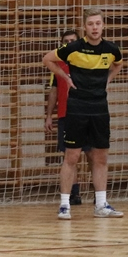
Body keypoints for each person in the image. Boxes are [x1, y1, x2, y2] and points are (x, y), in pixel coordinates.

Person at [42, 8, 124, 220]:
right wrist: (65, 77)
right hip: (77, 107)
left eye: (98, 23)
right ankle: (64, 205)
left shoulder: (111, 49)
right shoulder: (73, 48)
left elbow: (118, 64)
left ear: (103, 25)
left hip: (99, 108)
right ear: (85, 27)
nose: (94, 27)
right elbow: (47, 59)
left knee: (100, 157)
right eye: (90, 24)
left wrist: (107, 80)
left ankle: (101, 205)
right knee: (72, 156)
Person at [44, 29, 89, 205]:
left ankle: (99, 196)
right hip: (66, 115)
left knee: (93, 154)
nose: (69, 44)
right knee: (70, 156)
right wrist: (49, 116)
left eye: (73, 41)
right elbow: (54, 91)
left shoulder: (87, 60)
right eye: (66, 41)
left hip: (87, 113)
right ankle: (74, 194)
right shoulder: (56, 64)